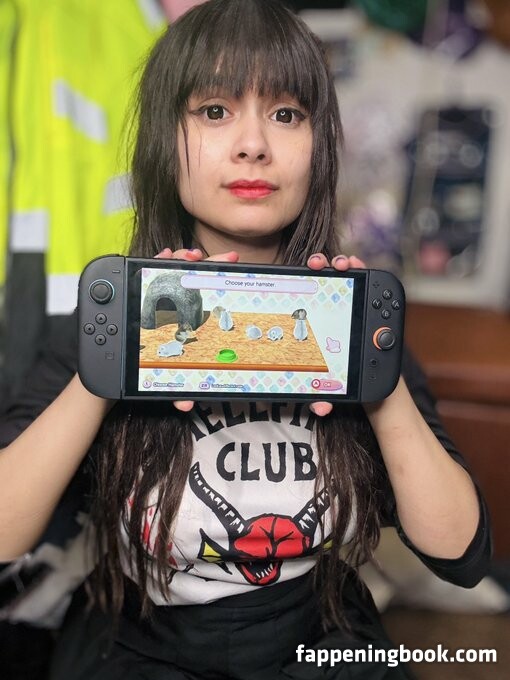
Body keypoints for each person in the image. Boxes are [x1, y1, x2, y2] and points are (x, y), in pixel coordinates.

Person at [0, 1, 491, 678]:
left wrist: (373, 376)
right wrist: (110, 367)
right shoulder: (102, 327)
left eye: (286, 114)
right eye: (214, 111)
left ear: (320, 146)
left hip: (322, 640)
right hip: (136, 644)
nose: (252, 144)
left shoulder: (357, 328)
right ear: (163, 140)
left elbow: (461, 554)